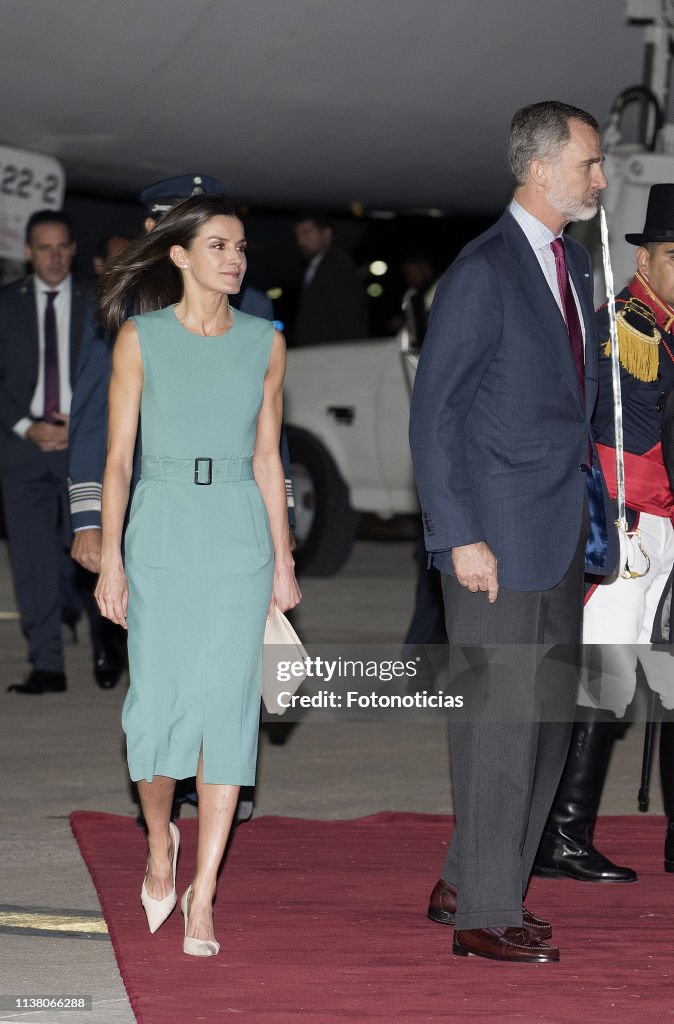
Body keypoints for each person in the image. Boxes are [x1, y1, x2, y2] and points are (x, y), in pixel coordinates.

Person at [409, 100, 617, 964]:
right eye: (589, 164)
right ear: (539, 171)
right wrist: (459, 536)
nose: (601, 178)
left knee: (543, 724)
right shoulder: (485, 270)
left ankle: (472, 874)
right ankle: (485, 916)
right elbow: (436, 416)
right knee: (500, 722)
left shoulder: (567, 265)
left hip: (559, 534)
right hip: (493, 541)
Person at [95, 194, 301, 956]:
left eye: (241, 246)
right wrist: (110, 556)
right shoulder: (139, 340)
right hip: (162, 526)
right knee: (154, 714)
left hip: (238, 531)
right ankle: (160, 842)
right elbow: (118, 460)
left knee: (227, 713)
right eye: (218, 246)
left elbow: (268, 456)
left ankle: (204, 894)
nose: (235, 259)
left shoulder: (264, 343)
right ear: (179, 256)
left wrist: (283, 559)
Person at [534, 184, 674, 882]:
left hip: (661, 524)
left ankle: (574, 833)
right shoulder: (629, 326)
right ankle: (562, 835)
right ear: (645, 257)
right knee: (603, 674)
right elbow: (629, 438)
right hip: (629, 523)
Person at [0, 210, 117, 694]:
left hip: (82, 450)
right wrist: (28, 426)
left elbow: (121, 375)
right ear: (27, 252)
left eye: (62, 247)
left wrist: (85, 423)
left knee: (95, 555)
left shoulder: (99, 303)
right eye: (44, 248)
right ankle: (46, 663)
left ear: (73, 249)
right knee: (32, 562)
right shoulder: (6, 304)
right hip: (23, 451)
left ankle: (108, 651)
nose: (54, 256)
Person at [291, 212, 368, 346]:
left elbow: (350, 317)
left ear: (326, 234)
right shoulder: (315, 265)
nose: (300, 241)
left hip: (332, 353)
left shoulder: (339, 266)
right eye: (298, 235)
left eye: (306, 233)